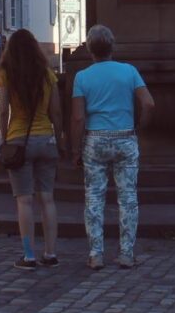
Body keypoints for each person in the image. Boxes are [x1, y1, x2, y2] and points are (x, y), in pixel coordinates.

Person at [65, 24, 152, 270]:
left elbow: (78, 118)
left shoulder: (82, 77)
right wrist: (139, 126)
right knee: (128, 198)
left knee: (94, 197)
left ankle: (95, 253)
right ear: (112, 47)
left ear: (90, 49)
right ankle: (126, 253)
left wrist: (74, 148)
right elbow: (149, 103)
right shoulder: (129, 71)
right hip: (125, 136)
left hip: (95, 139)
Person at [0, 28, 62, 269]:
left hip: (18, 141)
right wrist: (60, 139)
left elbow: (4, 110)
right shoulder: (47, 74)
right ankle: (51, 253)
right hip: (45, 139)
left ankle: (29, 255)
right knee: (47, 198)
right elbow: (55, 111)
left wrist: (4, 138)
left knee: (24, 201)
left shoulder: (7, 73)